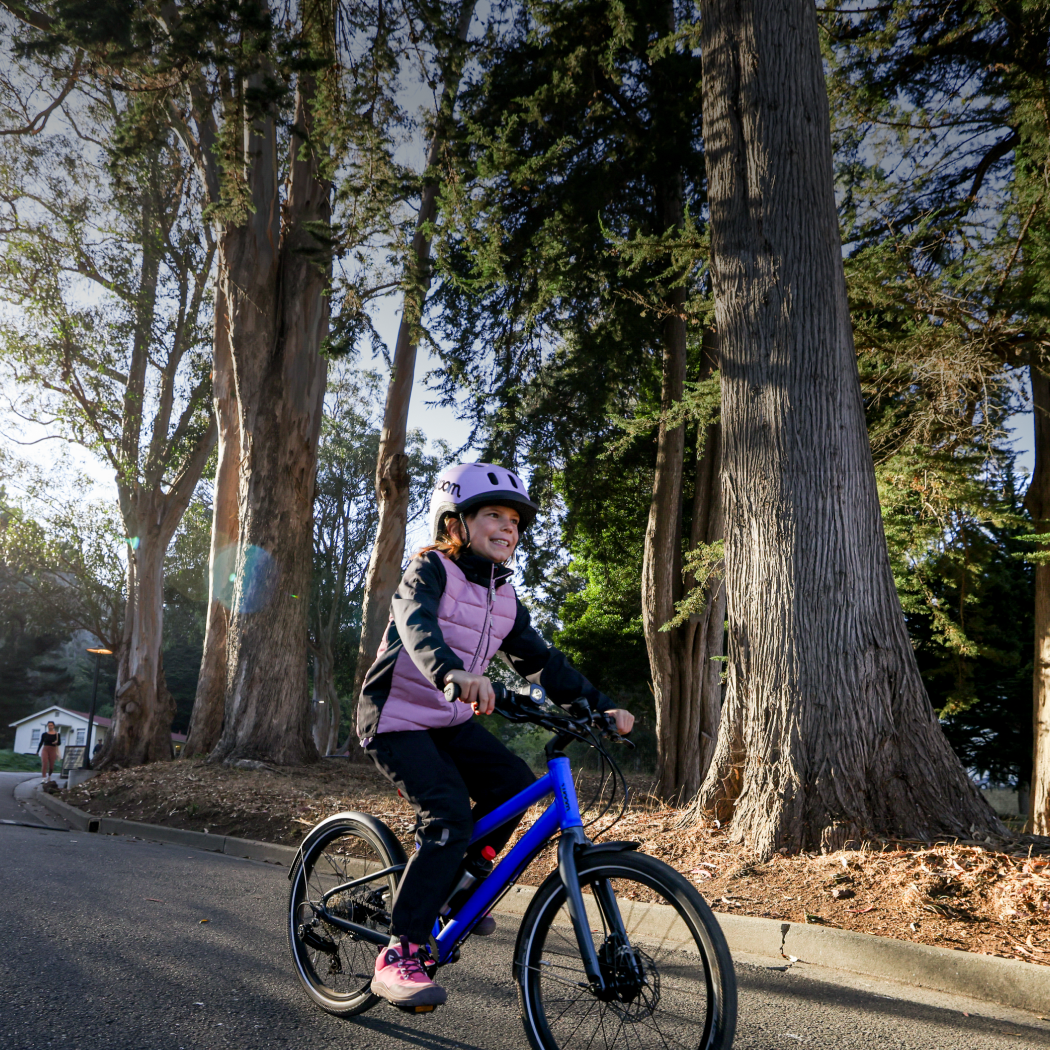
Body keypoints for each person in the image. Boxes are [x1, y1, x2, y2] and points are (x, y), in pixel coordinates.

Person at [358, 462, 635, 1010]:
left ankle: (465, 884)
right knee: (447, 817)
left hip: (450, 722)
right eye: (493, 515)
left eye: (514, 520)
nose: (507, 527)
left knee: (513, 783)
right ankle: (400, 952)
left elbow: (543, 665)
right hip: (395, 719)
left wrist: (601, 708)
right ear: (456, 522)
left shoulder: (504, 599)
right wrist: (451, 672)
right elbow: (417, 624)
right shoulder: (430, 571)